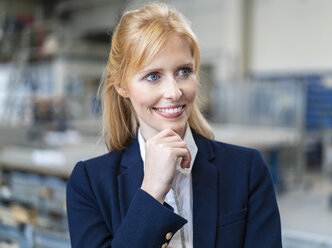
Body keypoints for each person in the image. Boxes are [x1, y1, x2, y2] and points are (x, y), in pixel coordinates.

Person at [66, 3, 282, 248]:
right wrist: (151, 193)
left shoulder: (247, 170)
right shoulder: (89, 184)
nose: (174, 91)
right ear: (122, 86)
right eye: (153, 76)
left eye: (183, 71)